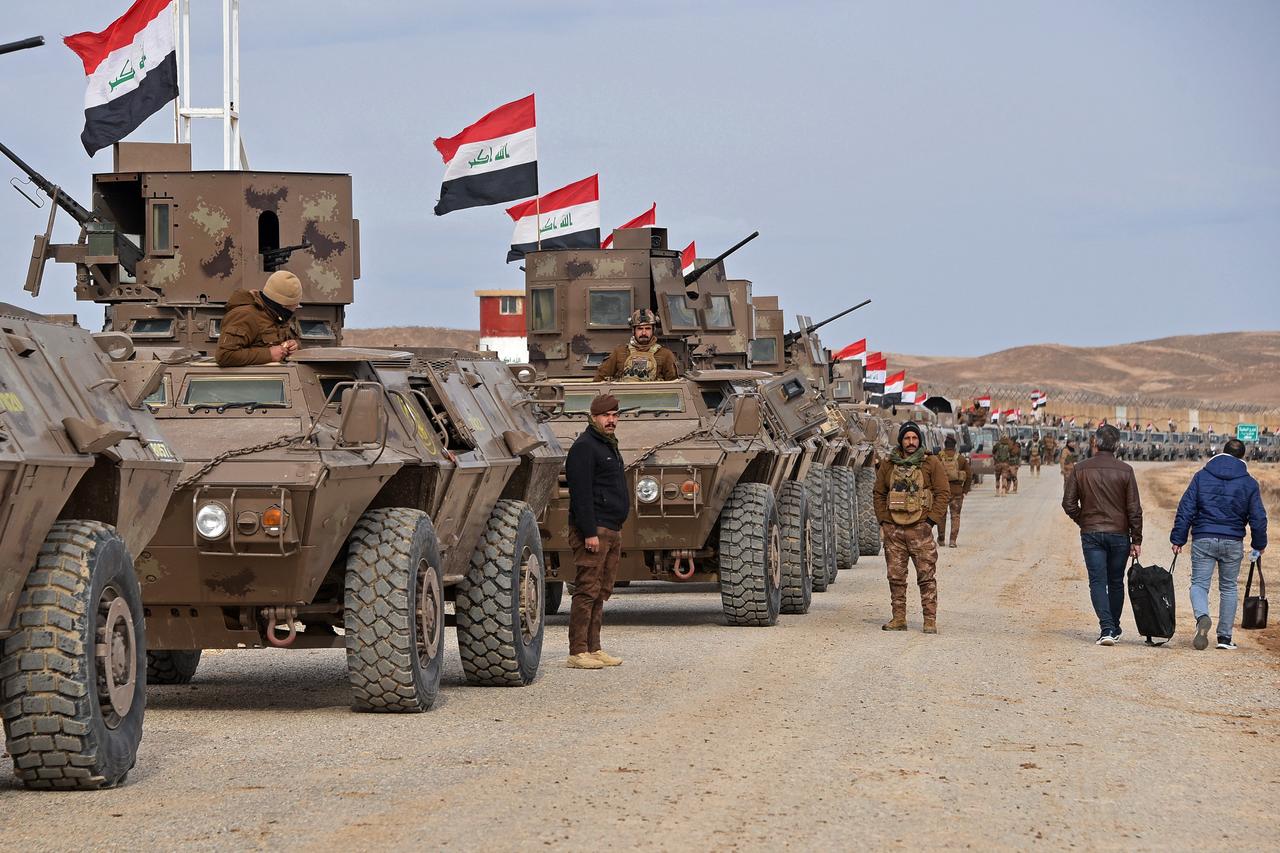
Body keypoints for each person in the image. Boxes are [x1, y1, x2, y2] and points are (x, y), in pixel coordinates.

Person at [1170, 438, 1268, 651]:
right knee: (1228, 588)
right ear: (1242, 457)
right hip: (1233, 541)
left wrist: (1178, 539)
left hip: (1203, 538)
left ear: (1222, 452)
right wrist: (1259, 544)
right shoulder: (1249, 483)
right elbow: (1258, 517)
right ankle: (1224, 638)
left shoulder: (1201, 476)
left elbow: (1186, 508)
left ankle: (1202, 617)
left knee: (1199, 584)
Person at [563, 394, 629, 669]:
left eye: (615, 415)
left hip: (611, 528)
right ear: (594, 417)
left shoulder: (608, 445)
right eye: (606, 415)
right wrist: (589, 531)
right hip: (595, 530)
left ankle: (594, 647)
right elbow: (581, 494)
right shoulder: (585, 447)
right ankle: (578, 651)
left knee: (601, 590)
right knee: (586, 589)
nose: (611, 420)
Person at [1062, 425, 1143, 645]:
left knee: (1097, 581)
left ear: (1095, 443)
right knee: (1115, 581)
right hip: (1119, 535)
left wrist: (1085, 520)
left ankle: (1108, 628)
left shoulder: (1080, 468)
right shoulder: (1126, 470)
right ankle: (1112, 627)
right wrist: (1136, 539)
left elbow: (1068, 504)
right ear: (1117, 446)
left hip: (1092, 534)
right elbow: (1134, 509)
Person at [874, 421, 950, 633]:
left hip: (920, 529)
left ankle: (930, 621)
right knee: (896, 577)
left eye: (914, 438)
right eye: (907, 438)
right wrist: (884, 521)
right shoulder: (889, 463)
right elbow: (879, 493)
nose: (910, 442)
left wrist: (931, 522)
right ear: (901, 440)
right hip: (894, 531)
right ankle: (899, 619)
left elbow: (943, 493)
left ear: (919, 440)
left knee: (926, 577)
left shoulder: (930, 462)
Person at [215, 270, 303, 367]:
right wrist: (269, 354)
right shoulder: (245, 315)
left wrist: (295, 345)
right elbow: (224, 355)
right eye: (293, 306)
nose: (294, 310)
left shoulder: (277, 315)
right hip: (251, 380)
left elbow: (289, 338)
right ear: (284, 305)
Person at [593, 308, 678, 382]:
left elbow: (674, 385)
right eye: (640, 329)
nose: (644, 332)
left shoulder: (665, 355)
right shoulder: (619, 353)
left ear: (653, 330)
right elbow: (599, 379)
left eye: (647, 328)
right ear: (633, 330)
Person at [935, 435, 971, 548]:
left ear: (944, 445)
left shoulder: (938, 458)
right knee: (955, 516)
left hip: (942, 492)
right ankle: (952, 541)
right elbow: (969, 475)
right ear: (955, 446)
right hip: (957, 492)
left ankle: (941, 539)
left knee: (941, 515)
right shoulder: (960, 458)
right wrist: (964, 490)